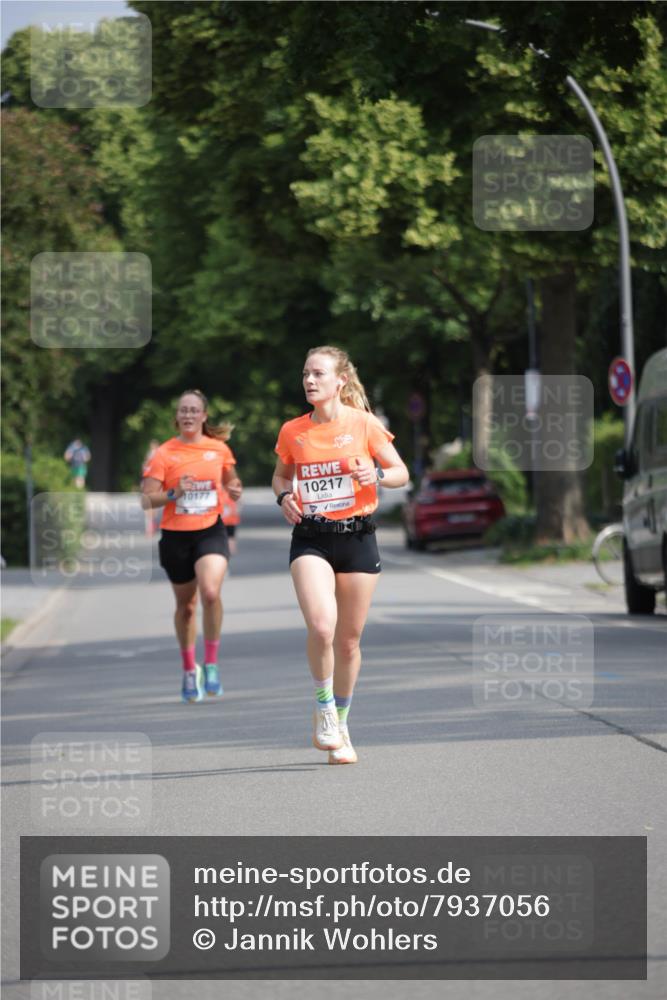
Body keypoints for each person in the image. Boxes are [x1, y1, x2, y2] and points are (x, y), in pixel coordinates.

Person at [272, 345, 409, 764]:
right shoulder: (293, 431)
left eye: (318, 374)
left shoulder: (364, 424)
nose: (309, 381)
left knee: (349, 641)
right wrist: (283, 497)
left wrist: (377, 474)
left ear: (339, 381)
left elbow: (402, 473)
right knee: (321, 625)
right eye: (305, 375)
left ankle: (343, 724)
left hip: (358, 536)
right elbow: (281, 474)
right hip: (311, 537)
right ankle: (324, 707)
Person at [141, 390, 242, 703]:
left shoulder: (218, 449)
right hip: (175, 535)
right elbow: (147, 497)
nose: (188, 415)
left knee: (210, 592)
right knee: (186, 608)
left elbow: (231, 480)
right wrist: (173, 493)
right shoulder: (164, 454)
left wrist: (235, 489)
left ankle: (210, 663)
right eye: (183, 410)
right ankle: (189, 669)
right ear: (177, 416)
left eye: (193, 410)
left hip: (210, 530)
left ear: (204, 416)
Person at [221, 489, 241, 557]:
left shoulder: (220, 492)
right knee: (230, 536)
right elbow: (239, 502)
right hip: (229, 520)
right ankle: (229, 552)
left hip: (228, 520)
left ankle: (227, 552)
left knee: (229, 537)